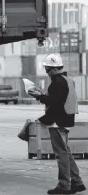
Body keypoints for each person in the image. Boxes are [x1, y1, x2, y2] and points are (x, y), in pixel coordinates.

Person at [29, 53, 86, 194]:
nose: (47, 73)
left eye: (48, 70)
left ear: (54, 69)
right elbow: (60, 99)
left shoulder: (57, 82)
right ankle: (77, 182)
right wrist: (43, 95)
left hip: (58, 122)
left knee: (61, 155)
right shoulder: (68, 80)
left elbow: (53, 102)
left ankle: (64, 185)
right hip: (66, 119)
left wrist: (39, 97)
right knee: (66, 153)